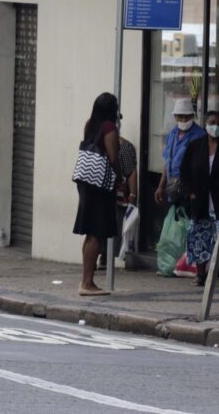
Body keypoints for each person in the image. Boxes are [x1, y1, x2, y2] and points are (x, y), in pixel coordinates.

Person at [179, 110, 219, 286]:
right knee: (200, 239)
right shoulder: (195, 146)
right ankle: (200, 275)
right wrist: (189, 192)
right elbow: (184, 172)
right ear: (206, 124)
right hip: (200, 202)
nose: (216, 127)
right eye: (212, 122)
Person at [74, 92, 122, 296]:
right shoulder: (109, 128)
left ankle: (86, 279)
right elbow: (113, 157)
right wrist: (120, 180)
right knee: (96, 234)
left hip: (86, 182)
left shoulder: (90, 124)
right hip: (100, 185)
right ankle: (87, 283)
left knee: (89, 233)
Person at [153, 98, 205, 276]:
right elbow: (167, 163)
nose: (183, 120)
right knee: (177, 225)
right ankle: (175, 263)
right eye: (179, 117)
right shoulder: (173, 134)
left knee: (192, 225)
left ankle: (190, 264)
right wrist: (161, 186)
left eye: (186, 116)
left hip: (191, 187)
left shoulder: (199, 135)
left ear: (192, 116)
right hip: (174, 187)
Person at [98, 134, 138, 269]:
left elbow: (131, 172)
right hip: (100, 194)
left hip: (118, 196)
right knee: (98, 227)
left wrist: (133, 195)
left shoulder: (125, 148)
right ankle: (100, 257)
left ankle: (106, 257)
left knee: (114, 226)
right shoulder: (96, 144)